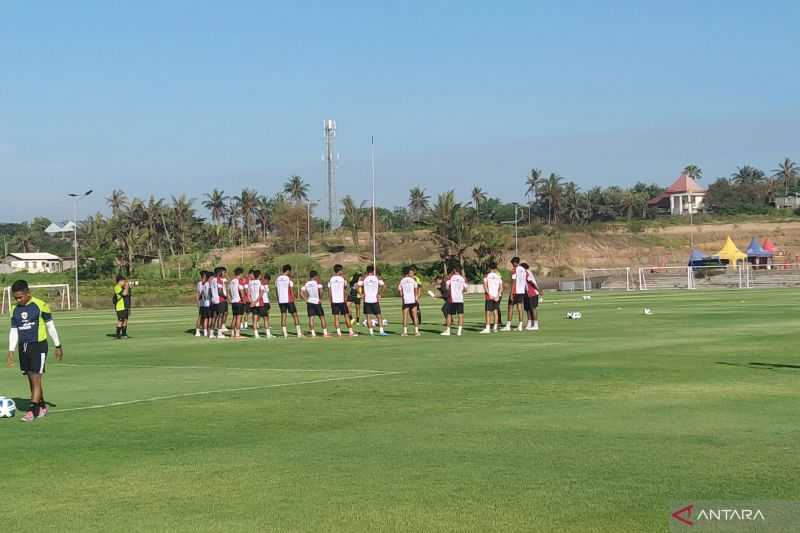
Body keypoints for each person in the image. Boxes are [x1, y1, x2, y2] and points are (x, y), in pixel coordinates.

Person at [6, 280, 63, 422]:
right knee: (31, 380)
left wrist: (57, 345)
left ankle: (32, 411)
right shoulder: (15, 310)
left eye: (20, 297)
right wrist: (11, 350)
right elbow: (14, 330)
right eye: (16, 298)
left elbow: (50, 326)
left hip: (38, 346)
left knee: (36, 378)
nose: (18, 300)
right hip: (23, 347)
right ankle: (42, 406)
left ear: (28, 293)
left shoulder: (40, 305)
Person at [328, 264, 357, 337]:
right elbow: (345, 288)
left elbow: (330, 291)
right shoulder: (342, 279)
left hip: (334, 301)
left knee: (336, 317)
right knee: (346, 316)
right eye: (342, 270)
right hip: (341, 300)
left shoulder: (331, 279)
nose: (342, 271)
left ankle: (339, 333)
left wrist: (330, 300)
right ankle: (351, 332)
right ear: (340, 270)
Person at [358, 265, 387, 336]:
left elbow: (356, 285)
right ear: (373, 271)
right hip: (374, 300)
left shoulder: (364, 278)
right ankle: (381, 332)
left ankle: (371, 333)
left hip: (367, 300)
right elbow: (384, 286)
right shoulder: (377, 278)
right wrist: (380, 294)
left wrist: (361, 294)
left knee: (368, 317)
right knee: (379, 316)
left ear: (367, 271)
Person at [276, 264, 303, 338]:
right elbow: (291, 290)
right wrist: (294, 297)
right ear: (287, 271)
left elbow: (276, 290)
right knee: (295, 315)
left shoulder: (277, 279)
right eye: (290, 271)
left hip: (281, 300)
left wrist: (278, 300)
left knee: (283, 316)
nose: (290, 273)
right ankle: (299, 333)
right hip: (289, 300)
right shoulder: (288, 279)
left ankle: (285, 334)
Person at [502, 256, 527, 332]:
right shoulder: (523, 269)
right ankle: (520, 326)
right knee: (520, 308)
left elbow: (514, 281)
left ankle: (508, 326)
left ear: (515, 262)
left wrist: (511, 293)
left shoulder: (514, 269)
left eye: (512, 263)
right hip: (522, 291)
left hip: (515, 291)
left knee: (510, 307)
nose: (512, 265)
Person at [301, 271, 328, 337]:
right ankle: (325, 333)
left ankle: (313, 333)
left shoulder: (306, 284)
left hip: (310, 302)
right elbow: (321, 291)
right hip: (317, 302)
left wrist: (306, 300)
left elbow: (301, 293)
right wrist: (320, 299)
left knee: (311, 318)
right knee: (322, 317)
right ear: (315, 276)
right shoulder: (317, 283)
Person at [442, 265, 466, 336]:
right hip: (460, 299)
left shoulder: (451, 278)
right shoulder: (462, 278)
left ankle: (448, 331)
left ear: (455, 270)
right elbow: (465, 289)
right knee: (460, 315)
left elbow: (446, 287)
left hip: (452, 299)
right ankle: (459, 332)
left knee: (449, 315)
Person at [481, 261, 503, 333]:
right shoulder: (498, 276)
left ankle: (487, 328)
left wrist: (489, 294)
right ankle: (495, 328)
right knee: (495, 311)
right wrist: (497, 296)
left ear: (489, 268)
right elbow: (501, 287)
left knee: (488, 311)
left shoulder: (486, 276)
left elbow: (485, 286)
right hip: (496, 296)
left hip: (489, 296)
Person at [398, 266, 421, 336]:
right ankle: (416, 332)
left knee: (405, 316)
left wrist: (403, 298)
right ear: (408, 273)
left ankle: (405, 332)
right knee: (415, 316)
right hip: (413, 300)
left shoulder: (401, 281)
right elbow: (416, 290)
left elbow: (400, 292)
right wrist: (416, 298)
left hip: (406, 301)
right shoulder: (413, 280)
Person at [522, 262, 541, 331]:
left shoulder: (527, 272)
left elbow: (532, 282)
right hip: (527, 294)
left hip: (532, 293)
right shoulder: (525, 273)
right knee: (527, 309)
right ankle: (530, 323)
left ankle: (536, 325)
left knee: (533, 308)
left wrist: (539, 290)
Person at [228, 267, 245, 339]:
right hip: (239, 301)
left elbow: (228, 292)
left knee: (234, 317)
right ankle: (237, 334)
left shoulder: (231, 281)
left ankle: (232, 334)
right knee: (239, 317)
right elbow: (241, 291)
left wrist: (231, 299)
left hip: (234, 302)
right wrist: (243, 299)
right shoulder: (239, 281)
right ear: (240, 273)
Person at [113, 274, 131, 339]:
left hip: (126, 306)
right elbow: (124, 293)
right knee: (120, 320)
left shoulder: (124, 287)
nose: (124, 282)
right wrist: (127, 286)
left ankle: (124, 334)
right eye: (123, 281)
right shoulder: (117, 287)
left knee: (125, 320)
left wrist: (129, 287)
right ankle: (118, 335)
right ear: (119, 281)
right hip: (120, 307)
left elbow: (128, 294)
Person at [195, 271, 212, 337]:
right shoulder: (201, 283)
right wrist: (198, 302)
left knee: (204, 318)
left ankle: (202, 331)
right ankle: (199, 331)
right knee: (203, 317)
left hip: (203, 303)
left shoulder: (201, 283)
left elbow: (199, 293)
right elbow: (199, 293)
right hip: (204, 303)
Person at [249, 269, 264, 338]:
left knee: (254, 318)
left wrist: (252, 301)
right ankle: (268, 333)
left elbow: (248, 294)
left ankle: (256, 334)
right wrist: (255, 302)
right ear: (259, 275)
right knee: (265, 317)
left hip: (253, 303)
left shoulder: (250, 282)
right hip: (259, 303)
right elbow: (261, 293)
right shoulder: (260, 282)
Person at [259, 272, 274, 338]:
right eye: (267, 281)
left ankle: (268, 332)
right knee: (264, 317)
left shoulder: (266, 285)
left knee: (267, 317)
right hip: (263, 303)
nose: (268, 282)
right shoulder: (260, 285)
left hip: (267, 303)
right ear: (265, 279)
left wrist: (269, 302)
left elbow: (267, 295)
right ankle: (268, 334)